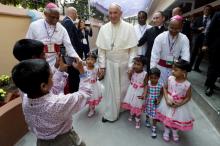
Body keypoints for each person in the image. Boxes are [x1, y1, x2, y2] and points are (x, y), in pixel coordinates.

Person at [11, 59, 92, 146]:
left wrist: (60, 71)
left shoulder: (26, 99)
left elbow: (51, 89)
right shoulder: (58, 104)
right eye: (51, 76)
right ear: (43, 86)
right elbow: (85, 94)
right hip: (65, 141)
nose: (53, 76)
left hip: (41, 142)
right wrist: (82, 72)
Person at [96, 3, 138, 122]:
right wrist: (102, 66)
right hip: (110, 64)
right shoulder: (104, 28)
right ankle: (111, 113)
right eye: (110, 13)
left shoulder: (129, 27)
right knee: (111, 90)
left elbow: (133, 50)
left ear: (120, 13)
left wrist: (131, 66)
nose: (113, 15)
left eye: (115, 13)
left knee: (123, 88)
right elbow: (101, 50)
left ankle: (121, 108)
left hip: (124, 64)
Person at [26, 3, 80, 67]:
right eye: (53, 17)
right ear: (45, 14)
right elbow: (28, 45)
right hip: (38, 64)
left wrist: (78, 59)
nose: (55, 20)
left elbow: (69, 46)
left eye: (57, 18)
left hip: (55, 63)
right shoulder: (34, 25)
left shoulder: (62, 29)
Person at [156, 59, 194, 142]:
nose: (172, 71)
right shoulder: (170, 78)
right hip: (168, 102)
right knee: (167, 119)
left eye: (176, 70)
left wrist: (178, 105)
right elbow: (165, 88)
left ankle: (175, 132)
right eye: (172, 69)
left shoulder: (187, 84)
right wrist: (166, 99)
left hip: (179, 105)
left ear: (183, 71)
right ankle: (166, 131)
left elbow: (188, 97)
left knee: (176, 121)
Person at [150, 15, 190, 85]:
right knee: (160, 88)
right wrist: (153, 70)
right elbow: (154, 55)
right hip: (160, 69)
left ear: (181, 28)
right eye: (171, 28)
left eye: (177, 28)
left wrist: (183, 71)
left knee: (172, 91)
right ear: (168, 26)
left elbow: (185, 56)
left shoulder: (184, 38)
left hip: (175, 70)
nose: (174, 31)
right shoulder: (160, 37)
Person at [121, 56, 147, 128]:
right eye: (134, 64)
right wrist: (130, 73)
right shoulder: (133, 71)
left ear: (143, 66)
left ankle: (137, 119)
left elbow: (145, 85)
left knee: (137, 105)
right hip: (131, 90)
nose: (135, 66)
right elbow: (130, 79)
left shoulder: (145, 74)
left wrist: (144, 94)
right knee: (131, 102)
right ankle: (132, 113)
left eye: (138, 64)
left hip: (139, 91)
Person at [62, 7, 82, 93]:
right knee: (73, 74)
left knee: (73, 74)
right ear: (73, 13)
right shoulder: (68, 23)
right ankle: (75, 92)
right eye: (76, 13)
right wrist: (75, 56)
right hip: (71, 56)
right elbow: (70, 41)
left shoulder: (67, 22)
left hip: (71, 54)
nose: (77, 15)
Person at [190, 5, 213, 72]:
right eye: (206, 9)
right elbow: (192, 28)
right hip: (197, 37)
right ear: (203, 10)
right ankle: (190, 66)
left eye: (209, 10)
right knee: (194, 52)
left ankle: (196, 67)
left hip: (205, 39)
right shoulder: (198, 18)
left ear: (210, 11)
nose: (207, 11)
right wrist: (198, 28)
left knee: (201, 54)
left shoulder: (211, 19)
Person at [204, 11, 220, 96]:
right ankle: (209, 86)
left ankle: (211, 82)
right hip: (216, 46)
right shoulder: (217, 14)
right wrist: (206, 44)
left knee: (217, 68)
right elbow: (209, 29)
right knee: (213, 66)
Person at [144, 67, 163, 138]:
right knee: (147, 112)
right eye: (151, 77)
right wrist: (144, 96)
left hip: (155, 103)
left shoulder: (160, 85)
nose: (153, 79)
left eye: (155, 78)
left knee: (155, 116)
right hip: (148, 102)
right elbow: (146, 91)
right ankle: (147, 120)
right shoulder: (148, 83)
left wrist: (159, 99)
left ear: (158, 78)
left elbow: (161, 94)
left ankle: (154, 128)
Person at [85, 52, 102, 117]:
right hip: (87, 85)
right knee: (88, 97)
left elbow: (99, 76)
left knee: (93, 97)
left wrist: (100, 74)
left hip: (94, 86)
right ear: (86, 60)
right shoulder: (85, 68)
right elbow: (83, 77)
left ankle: (92, 109)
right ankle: (90, 106)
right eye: (88, 59)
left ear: (95, 61)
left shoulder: (96, 68)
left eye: (92, 59)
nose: (90, 61)